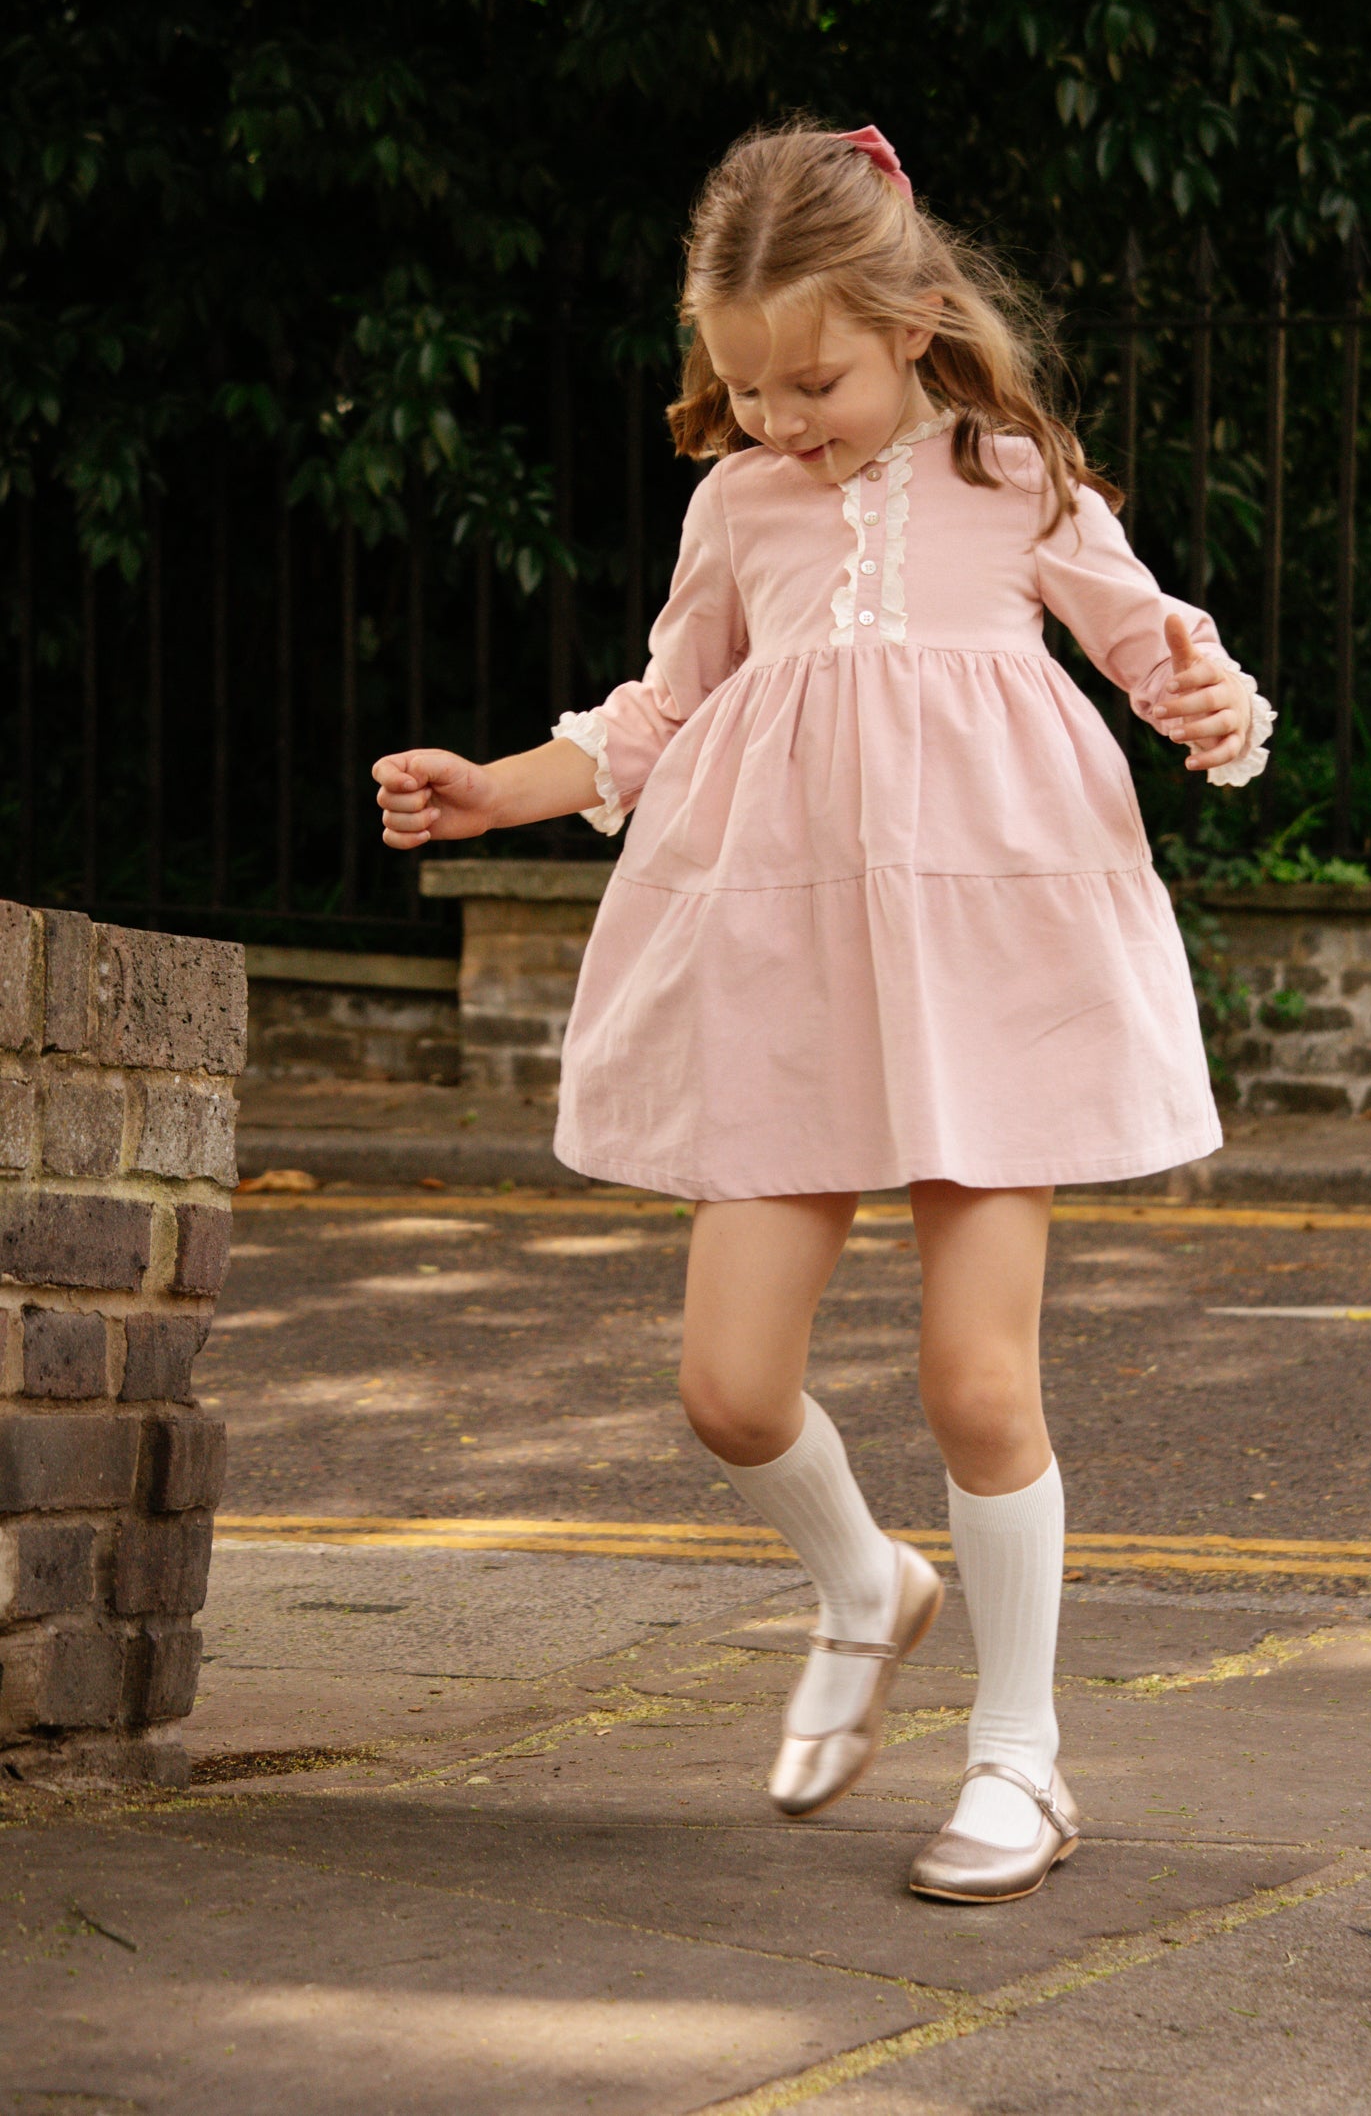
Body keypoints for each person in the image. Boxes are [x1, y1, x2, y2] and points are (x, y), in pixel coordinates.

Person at [373, 121, 1272, 1904]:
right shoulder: (738, 508)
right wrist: (501, 786)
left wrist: (1207, 704)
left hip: (993, 969)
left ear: (917, 314)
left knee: (975, 1376)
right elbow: (653, 712)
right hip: (785, 971)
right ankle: (866, 1581)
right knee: (725, 1387)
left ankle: (1020, 1756)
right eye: (748, 387)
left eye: (815, 378)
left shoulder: (1016, 478)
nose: (785, 417)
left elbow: (1158, 647)